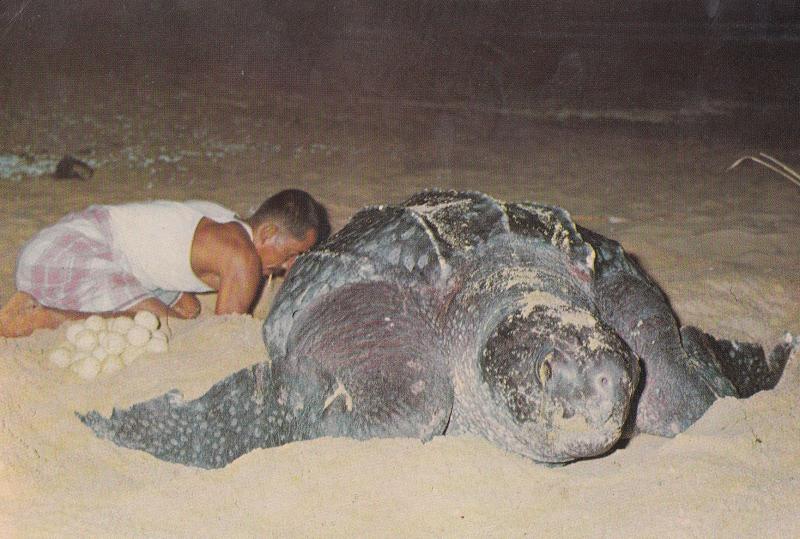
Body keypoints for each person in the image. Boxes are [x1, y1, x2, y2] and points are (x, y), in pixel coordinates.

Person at [0, 189, 330, 338]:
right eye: (290, 255)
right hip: (66, 255)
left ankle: (47, 309)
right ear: (268, 234)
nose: (289, 266)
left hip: (65, 242)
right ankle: (39, 318)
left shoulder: (225, 222)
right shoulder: (242, 256)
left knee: (188, 310)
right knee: (162, 328)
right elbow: (224, 336)